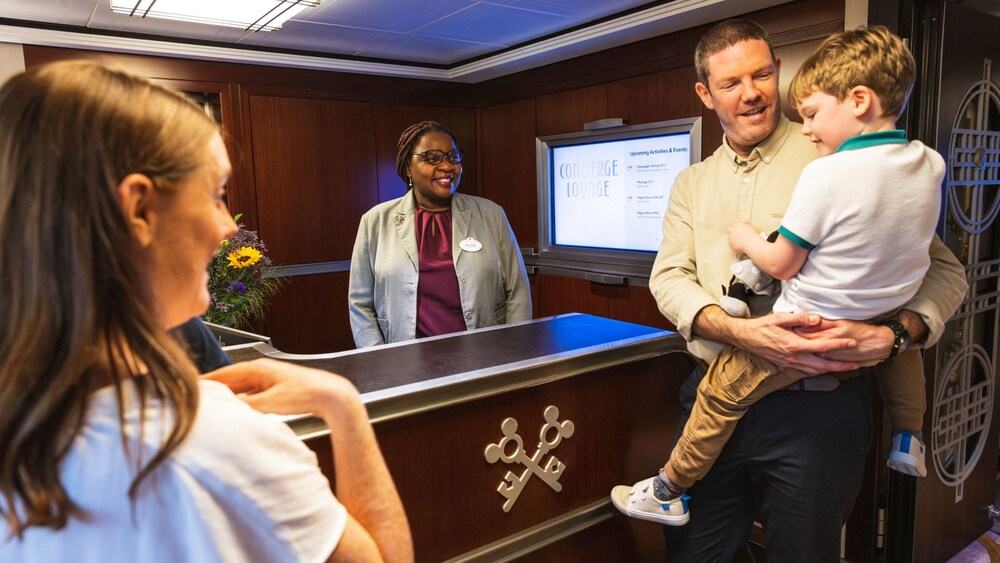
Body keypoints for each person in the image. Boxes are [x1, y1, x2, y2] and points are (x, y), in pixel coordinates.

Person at [0, 61, 412, 562]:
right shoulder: (213, 440)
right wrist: (343, 406)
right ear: (139, 211)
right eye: (217, 195)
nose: (228, 227)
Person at [611, 19, 966, 561]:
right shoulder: (692, 183)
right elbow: (668, 278)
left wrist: (894, 335)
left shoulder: (844, 155)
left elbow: (943, 271)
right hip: (714, 398)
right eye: (731, 83)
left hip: (817, 415)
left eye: (761, 75)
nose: (751, 93)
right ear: (706, 94)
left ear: (779, 72)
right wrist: (738, 331)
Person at [348, 120, 532, 348]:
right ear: (407, 167)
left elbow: (518, 292)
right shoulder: (375, 221)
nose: (447, 166)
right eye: (432, 157)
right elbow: (360, 304)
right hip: (405, 362)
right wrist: (378, 358)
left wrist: (513, 353)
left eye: (453, 156)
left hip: (483, 356)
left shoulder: (491, 214)